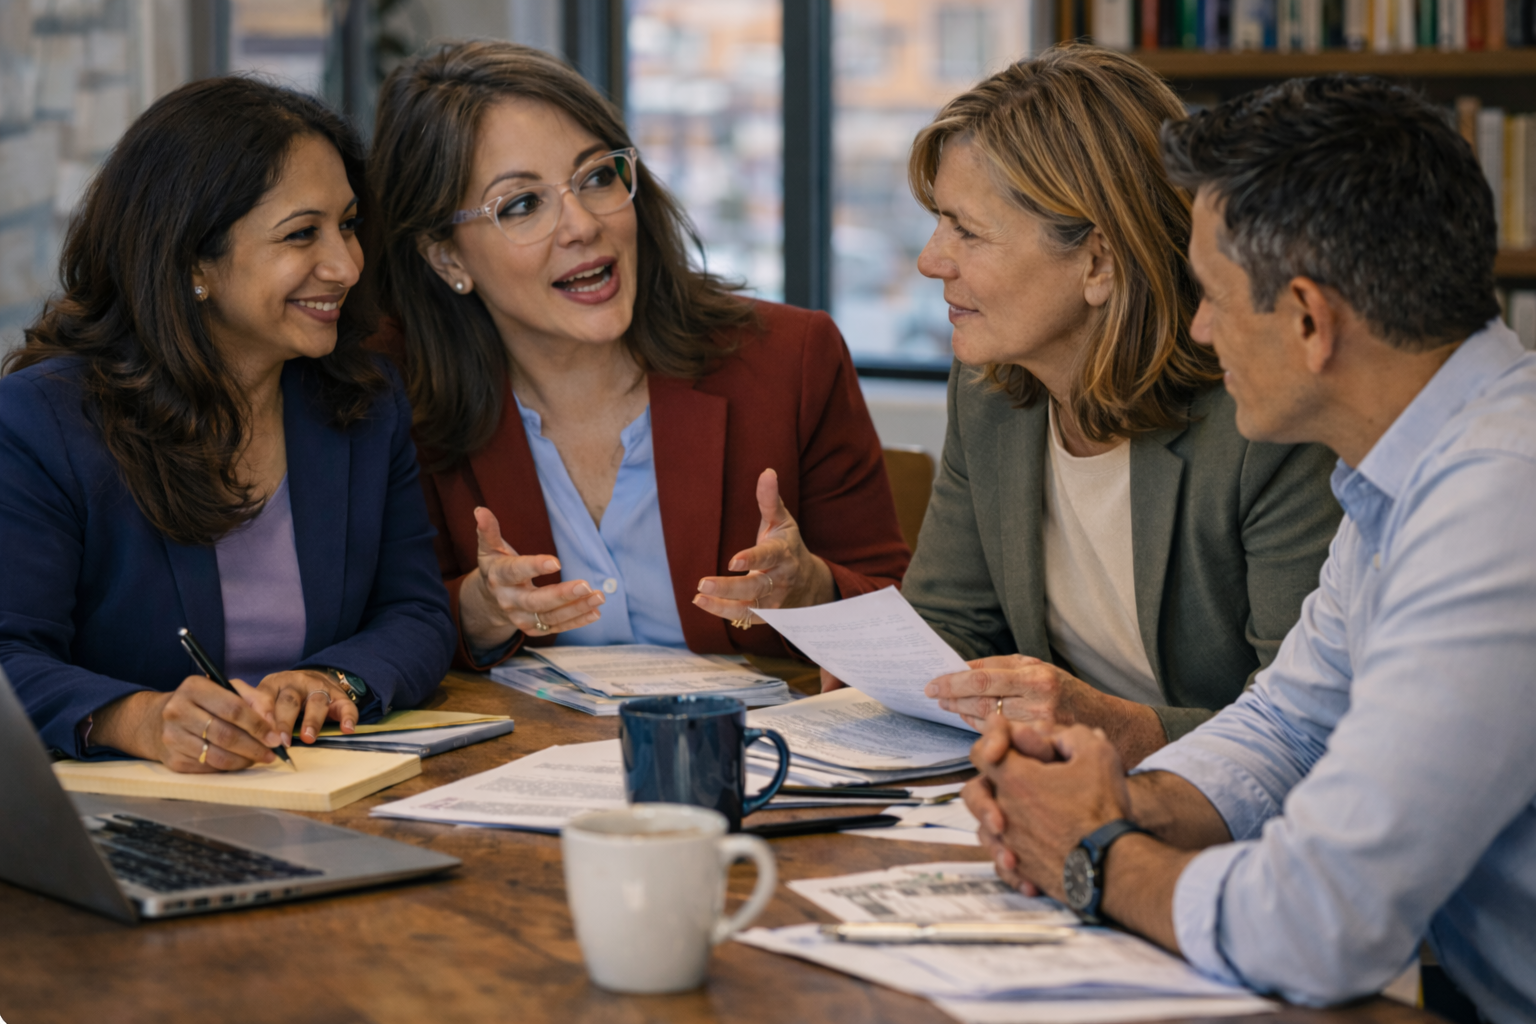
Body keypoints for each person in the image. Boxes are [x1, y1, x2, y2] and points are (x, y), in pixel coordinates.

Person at [965, 76, 1536, 1023]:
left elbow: (1323, 923)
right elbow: (1290, 727)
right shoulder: (1408, 468)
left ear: (1310, 320)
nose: (1195, 328)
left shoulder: (1499, 501)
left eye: (1212, 296)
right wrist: (1118, 800)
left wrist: (1097, 854)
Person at [832, 46, 1340, 765]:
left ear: (1099, 261)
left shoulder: (1265, 420)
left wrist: (1121, 729)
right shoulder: (990, 391)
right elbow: (952, 635)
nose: (930, 260)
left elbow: (1312, 730)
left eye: (966, 231)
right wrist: (852, 640)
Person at [368, 41, 908, 668]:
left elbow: (897, 615)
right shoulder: (395, 391)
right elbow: (380, 620)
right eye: (522, 204)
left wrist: (812, 588)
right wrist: (480, 611)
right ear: (447, 258)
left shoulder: (791, 359)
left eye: (596, 176)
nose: (581, 225)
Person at [0, 78, 456, 772]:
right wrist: (138, 720)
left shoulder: (366, 401)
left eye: (349, 224)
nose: (346, 265)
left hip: (322, 790)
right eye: (302, 234)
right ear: (192, 262)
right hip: (121, 820)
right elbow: (9, 656)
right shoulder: (41, 422)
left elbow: (415, 614)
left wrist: (333, 680)